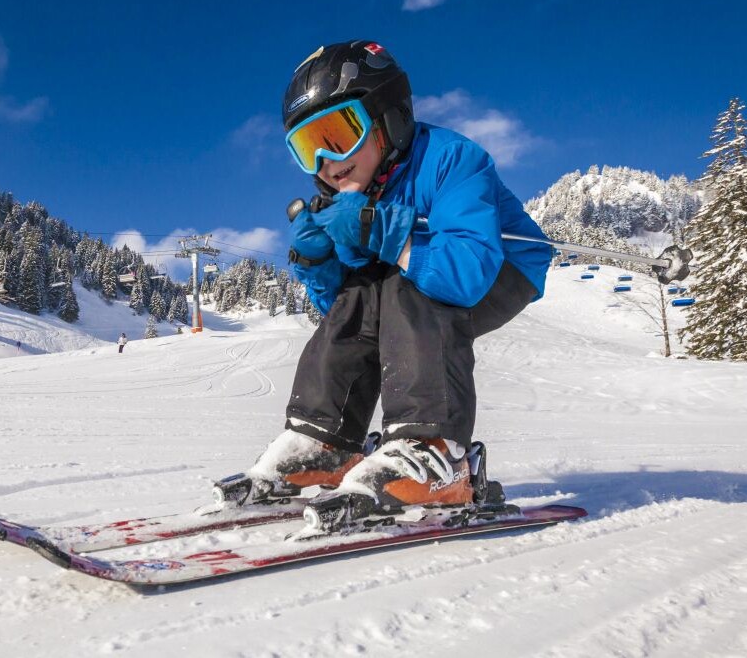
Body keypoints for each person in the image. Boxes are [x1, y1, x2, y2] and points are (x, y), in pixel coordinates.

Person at [230, 41, 553, 527]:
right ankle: (323, 446)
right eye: (306, 148)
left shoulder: (451, 158)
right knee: (365, 288)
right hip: (430, 269)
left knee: (410, 283)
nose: (326, 160)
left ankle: (433, 451)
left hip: (502, 266)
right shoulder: (348, 198)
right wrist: (319, 262)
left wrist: (384, 232)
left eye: (338, 134)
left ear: (387, 117)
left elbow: (464, 276)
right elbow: (345, 314)